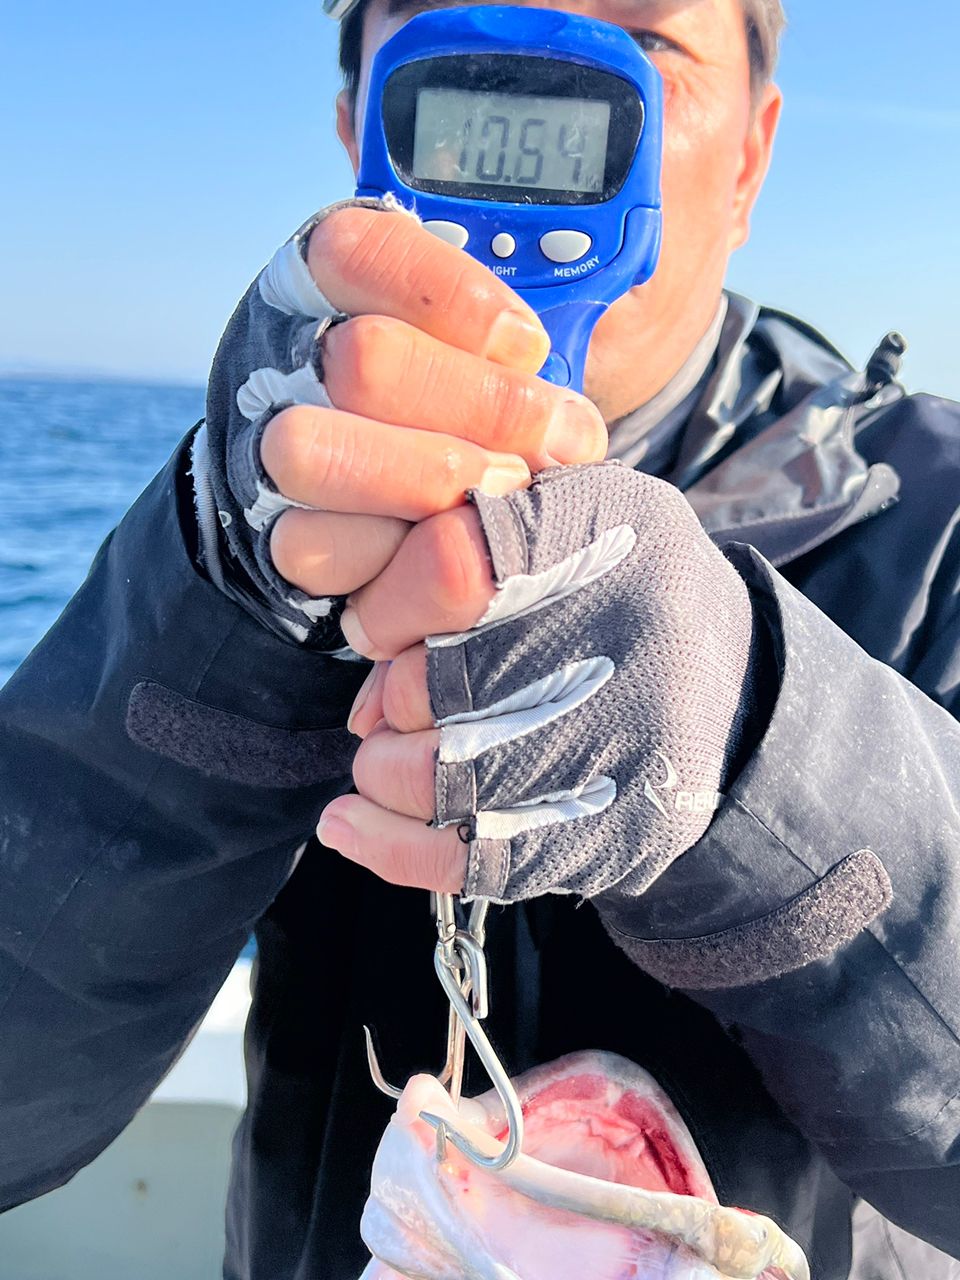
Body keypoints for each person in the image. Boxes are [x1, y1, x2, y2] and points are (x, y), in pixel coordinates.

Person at [0, 0, 958, 1277]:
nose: (539, 76)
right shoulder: (234, 516)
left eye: (640, 34)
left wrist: (753, 740)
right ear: (362, 129)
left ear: (749, 155)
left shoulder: (938, 520)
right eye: (455, 15)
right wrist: (222, 601)